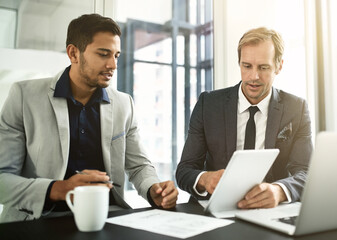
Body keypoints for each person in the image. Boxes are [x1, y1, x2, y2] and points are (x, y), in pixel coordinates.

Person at [0, 13, 178, 223]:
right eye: (104, 54)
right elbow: (3, 178)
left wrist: (153, 188)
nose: (113, 65)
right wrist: (58, 189)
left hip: (107, 217)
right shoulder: (24, 96)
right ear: (74, 53)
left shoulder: (124, 104)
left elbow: (139, 166)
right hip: (40, 220)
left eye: (116, 55)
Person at [176, 27, 313, 209]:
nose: (253, 77)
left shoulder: (296, 108)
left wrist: (280, 191)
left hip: (270, 211)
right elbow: (184, 171)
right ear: (239, 63)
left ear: (279, 66)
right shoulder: (208, 104)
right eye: (246, 66)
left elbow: (306, 172)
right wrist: (205, 179)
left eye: (263, 68)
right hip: (213, 210)